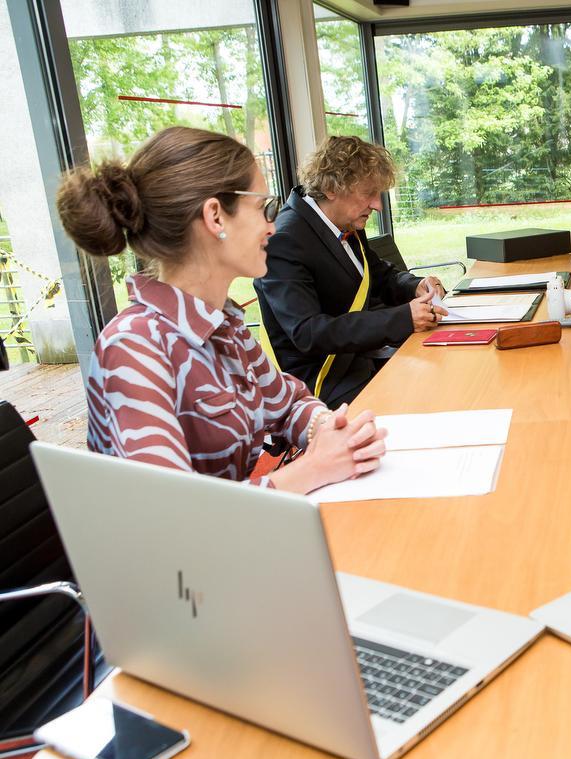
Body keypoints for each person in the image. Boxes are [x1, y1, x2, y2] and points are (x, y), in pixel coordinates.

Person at [56, 126, 386, 494]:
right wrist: (313, 468)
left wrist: (326, 427)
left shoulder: (223, 324)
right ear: (215, 217)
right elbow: (176, 512)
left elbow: (288, 402)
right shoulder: (133, 347)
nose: (273, 227)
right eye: (263, 208)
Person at [255, 136, 446, 408]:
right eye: (369, 193)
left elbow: (379, 275)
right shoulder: (284, 240)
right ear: (332, 187)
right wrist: (403, 318)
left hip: (361, 358)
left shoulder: (344, 221)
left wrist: (414, 285)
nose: (377, 205)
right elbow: (308, 333)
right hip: (324, 382)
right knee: (427, 397)